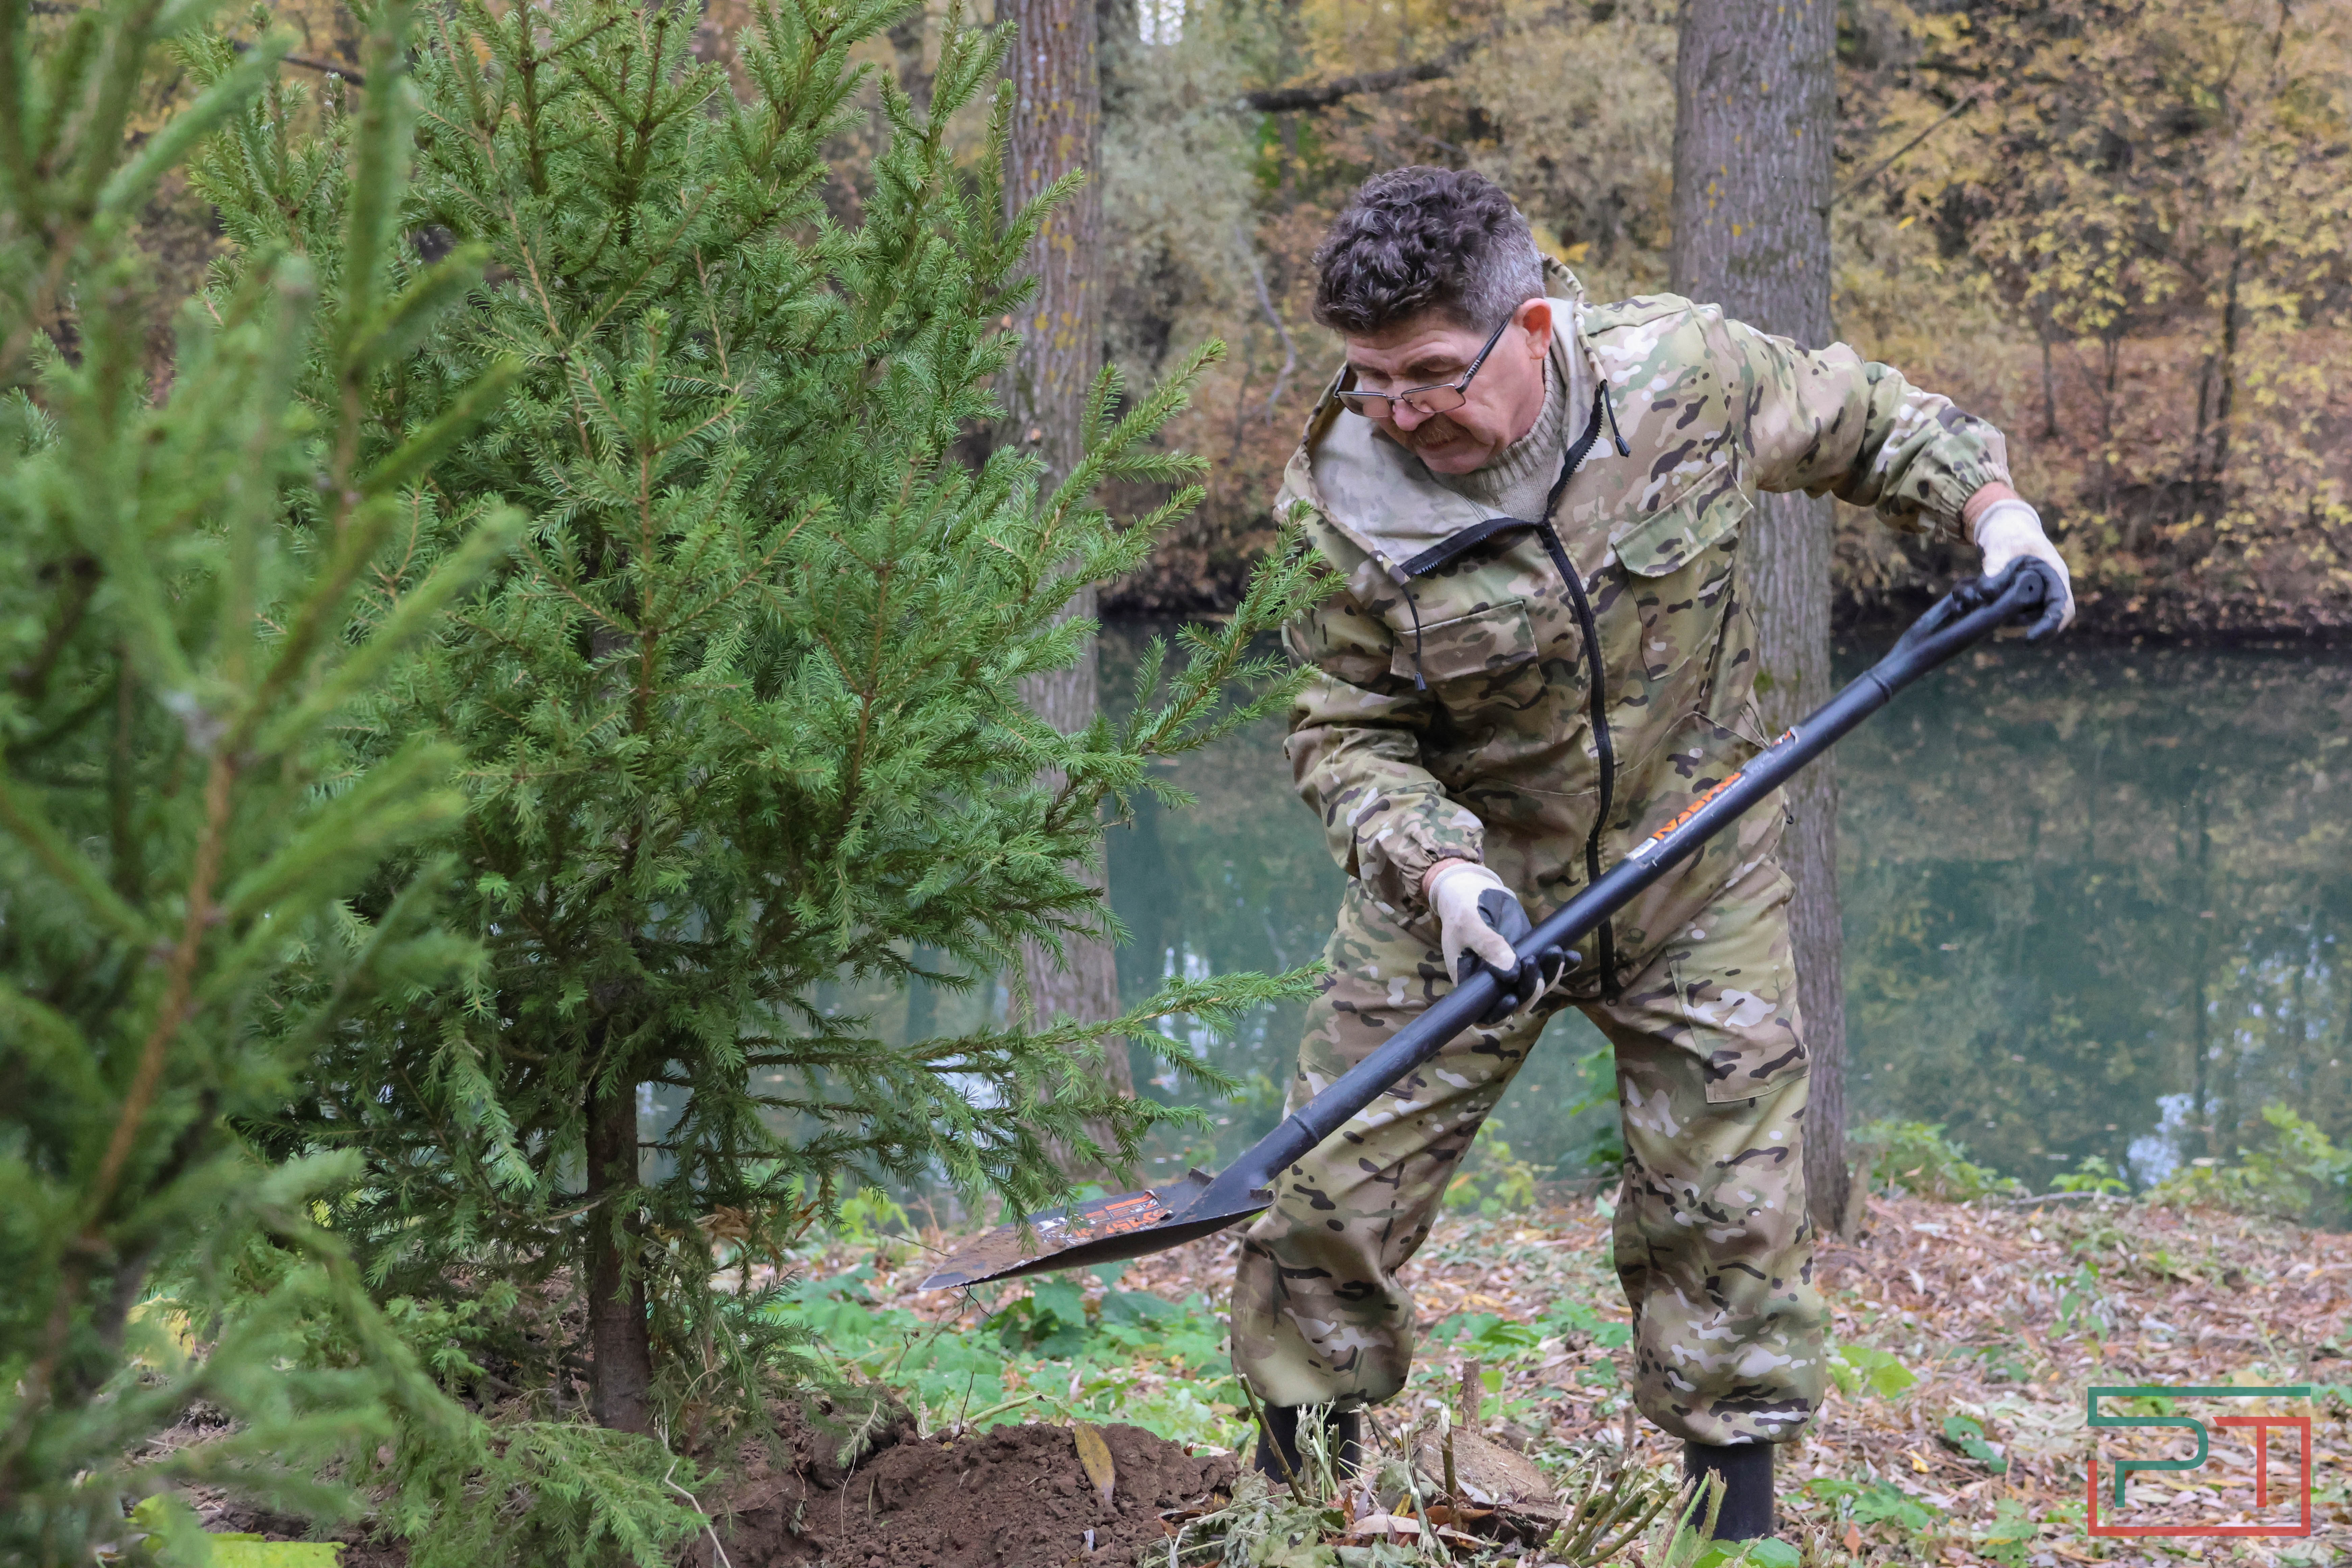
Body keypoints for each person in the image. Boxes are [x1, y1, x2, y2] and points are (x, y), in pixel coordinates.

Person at [1230, 167, 2071, 1541]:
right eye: (1370, 379)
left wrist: (1995, 513)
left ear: (1533, 326)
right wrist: (1441, 871)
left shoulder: (1681, 375)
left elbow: (1870, 420)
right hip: (1468, 892)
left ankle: (1730, 1535)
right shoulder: (1340, 498)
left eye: (1432, 372)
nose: (1402, 412)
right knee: (1330, 1198)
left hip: (1697, 873)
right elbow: (1341, 729)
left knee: (1734, 1220)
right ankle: (1287, 1512)